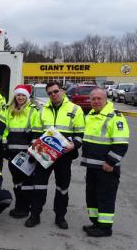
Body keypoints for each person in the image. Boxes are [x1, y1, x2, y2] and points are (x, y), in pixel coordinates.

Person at [25, 81, 85, 229]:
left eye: (56, 91)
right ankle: (35, 215)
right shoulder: (42, 109)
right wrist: (34, 147)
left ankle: (60, 216)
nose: (53, 94)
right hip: (44, 154)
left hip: (65, 156)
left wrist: (74, 145)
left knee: (62, 187)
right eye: (50, 93)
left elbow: (80, 134)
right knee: (38, 185)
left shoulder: (75, 109)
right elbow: (36, 132)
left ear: (62, 91)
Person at [81, 88, 129, 237]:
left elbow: (121, 144)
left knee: (105, 197)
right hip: (92, 166)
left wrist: (110, 162)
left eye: (99, 99)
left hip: (106, 167)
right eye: (93, 99)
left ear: (106, 99)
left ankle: (105, 228)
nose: (96, 101)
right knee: (92, 196)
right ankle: (96, 223)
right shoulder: (91, 115)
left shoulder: (115, 116)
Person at [0, 85, 40, 219]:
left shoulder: (33, 111)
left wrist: (33, 151)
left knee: (26, 182)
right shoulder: (9, 110)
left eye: (23, 95)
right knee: (17, 182)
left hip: (27, 154)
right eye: (18, 95)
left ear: (27, 97)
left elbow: (36, 132)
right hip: (12, 153)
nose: (20, 97)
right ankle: (20, 206)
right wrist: (4, 148)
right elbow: (5, 131)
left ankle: (24, 208)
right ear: (15, 96)